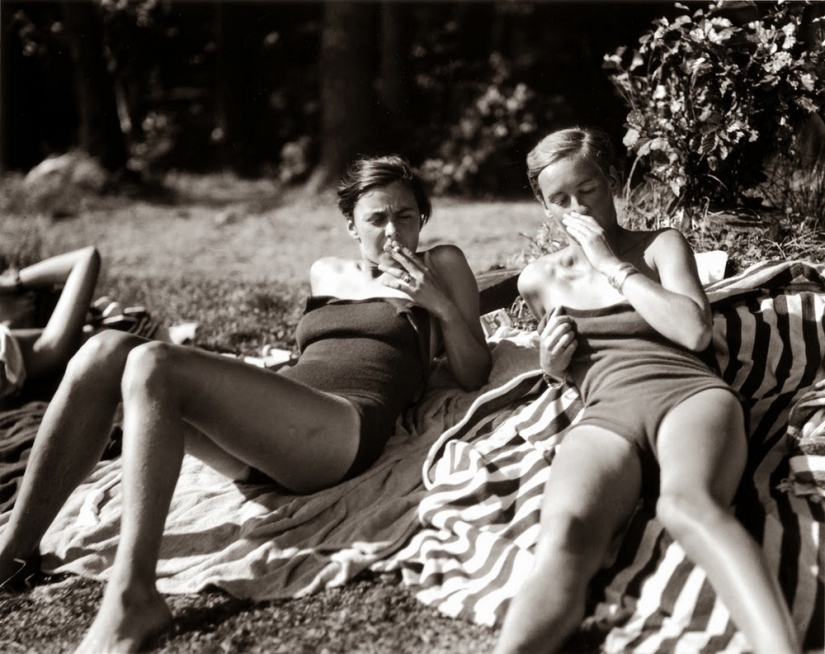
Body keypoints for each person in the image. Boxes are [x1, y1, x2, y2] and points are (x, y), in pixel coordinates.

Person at [0, 155, 492, 653]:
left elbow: (474, 371)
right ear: (351, 226)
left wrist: (438, 305)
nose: (392, 232)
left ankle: (134, 596)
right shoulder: (327, 272)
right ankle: (13, 550)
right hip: (283, 430)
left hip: (341, 428)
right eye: (377, 218)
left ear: (422, 219)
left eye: (406, 216)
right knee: (102, 350)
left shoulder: (441, 264)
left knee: (153, 363)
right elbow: (321, 357)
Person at [493, 127, 800, 654]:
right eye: (559, 199)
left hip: (687, 396)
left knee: (688, 506)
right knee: (564, 534)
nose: (577, 208)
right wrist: (552, 366)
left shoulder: (658, 245)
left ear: (610, 182)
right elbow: (573, 370)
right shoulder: (537, 280)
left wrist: (612, 266)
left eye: (587, 190)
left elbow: (694, 331)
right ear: (543, 205)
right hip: (607, 413)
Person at [0, 246, 100, 402]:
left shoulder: (13, 348)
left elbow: (87, 257)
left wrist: (12, 282)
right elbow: (86, 258)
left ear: (29, 301)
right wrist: (14, 282)